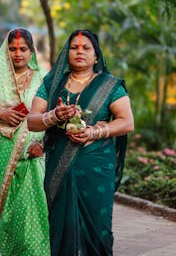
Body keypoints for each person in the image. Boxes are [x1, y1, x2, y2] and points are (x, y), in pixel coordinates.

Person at [28, 30, 134, 256]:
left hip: (95, 167)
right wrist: (54, 116)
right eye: (74, 47)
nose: (79, 52)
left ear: (96, 56)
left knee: (98, 227)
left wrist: (94, 131)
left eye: (86, 48)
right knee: (59, 225)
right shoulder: (52, 82)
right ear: (67, 53)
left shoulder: (109, 85)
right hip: (59, 167)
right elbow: (32, 122)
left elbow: (126, 122)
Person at [0, 28, 50, 256]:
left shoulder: (43, 79)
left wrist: (42, 146)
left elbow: (53, 117)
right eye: (12, 49)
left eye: (23, 49)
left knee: (34, 211)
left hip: (33, 153)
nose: (18, 54)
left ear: (31, 51)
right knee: (10, 214)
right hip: (2, 152)